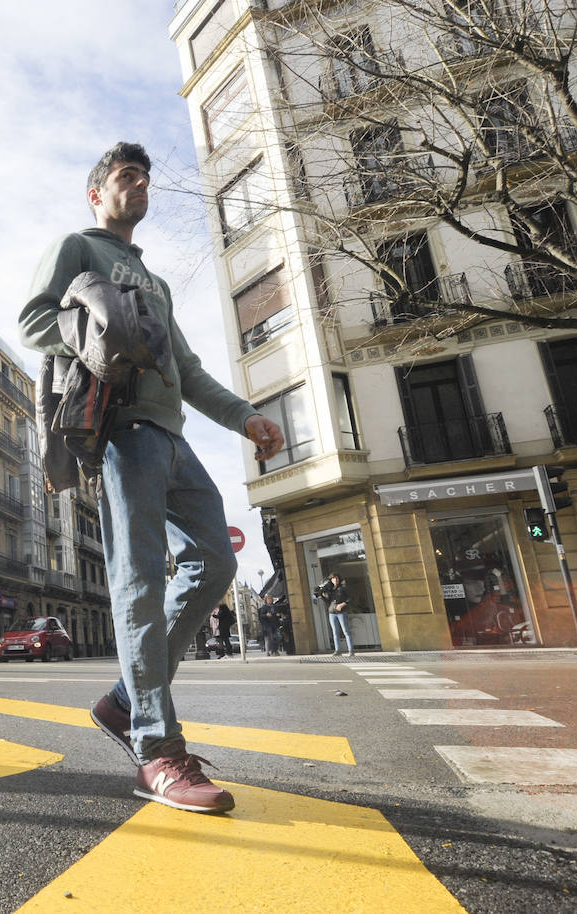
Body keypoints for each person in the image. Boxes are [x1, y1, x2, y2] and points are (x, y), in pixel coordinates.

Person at [19, 141, 285, 814]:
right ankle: (157, 751)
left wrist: (246, 417)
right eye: (125, 176)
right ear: (97, 193)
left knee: (215, 563)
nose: (139, 185)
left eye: (143, 178)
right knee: (138, 585)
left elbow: (187, 371)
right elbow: (33, 321)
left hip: (173, 439)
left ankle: (122, 698)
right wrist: (95, 328)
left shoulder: (156, 284)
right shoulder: (78, 247)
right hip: (120, 434)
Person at [322, 572, 354, 657]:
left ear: (339, 579)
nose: (335, 580)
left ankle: (351, 650)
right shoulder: (330, 590)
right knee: (335, 632)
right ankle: (337, 650)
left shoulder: (343, 588)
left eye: (336, 578)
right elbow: (328, 601)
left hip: (341, 612)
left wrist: (342, 604)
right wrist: (322, 596)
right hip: (332, 613)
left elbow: (350, 598)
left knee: (346, 631)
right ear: (331, 580)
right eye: (333, 578)